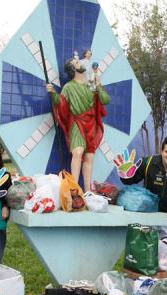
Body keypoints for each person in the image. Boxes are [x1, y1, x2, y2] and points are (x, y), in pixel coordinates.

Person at [47, 54, 110, 192]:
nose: (80, 63)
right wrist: (52, 93)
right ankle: (75, 190)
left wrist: (98, 84)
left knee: (89, 156)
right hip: (76, 122)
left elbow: (105, 100)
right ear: (73, 69)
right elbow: (61, 103)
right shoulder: (69, 87)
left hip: (91, 123)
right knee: (78, 152)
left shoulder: (91, 85)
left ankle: (87, 191)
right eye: (77, 62)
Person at [120, 136, 167, 252]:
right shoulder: (148, 162)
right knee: (147, 252)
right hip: (150, 215)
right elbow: (130, 180)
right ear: (161, 151)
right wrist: (125, 174)